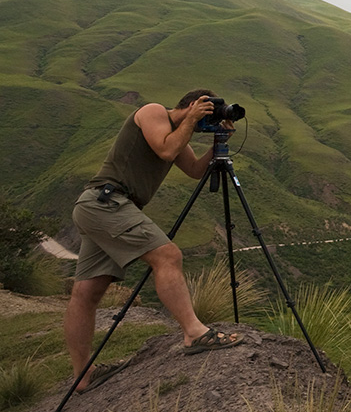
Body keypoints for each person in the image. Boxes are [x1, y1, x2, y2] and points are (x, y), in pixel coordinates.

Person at [64, 89, 243, 393]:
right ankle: (194, 333)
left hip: (102, 207)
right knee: (168, 256)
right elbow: (166, 151)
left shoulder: (175, 133)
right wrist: (191, 121)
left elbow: (195, 170)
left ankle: (83, 375)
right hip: (106, 202)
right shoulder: (153, 112)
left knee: (87, 293)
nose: (204, 120)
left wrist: (218, 142)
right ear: (189, 105)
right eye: (204, 113)